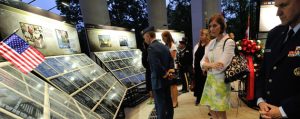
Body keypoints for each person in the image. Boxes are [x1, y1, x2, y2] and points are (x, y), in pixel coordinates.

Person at [255, 0, 300, 118]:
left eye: (284, 5)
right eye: (277, 6)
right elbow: (263, 72)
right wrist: (260, 100)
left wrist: (283, 111)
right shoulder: (274, 34)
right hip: (266, 112)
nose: (278, 13)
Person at [200, 14, 235, 119]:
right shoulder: (211, 42)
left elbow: (221, 66)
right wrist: (210, 64)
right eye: (210, 26)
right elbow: (201, 62)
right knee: (211, 110)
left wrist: (207, 65)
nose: (211, 29)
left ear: (222, 26)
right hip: (210, 80)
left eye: (215, 25)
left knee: (220, 113)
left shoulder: (229, 42)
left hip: (221, 82)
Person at [142, 26, 174, 119]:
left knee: (160, 105)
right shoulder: (163, 46)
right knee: (168, 102)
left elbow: (156, 65)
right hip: (166, 80)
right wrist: (169, 72)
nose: (145, 40)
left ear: (148, 36)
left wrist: (164, 73)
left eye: (145, 38)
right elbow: (171, 60)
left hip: (158, 81)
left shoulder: (151, 48)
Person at [193, 29, 211, 106]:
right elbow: (194, 57)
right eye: (200, 35)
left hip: (204, 68)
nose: (200, 36)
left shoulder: (209, 45)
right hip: (197, 67)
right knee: (198, 83)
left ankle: (206, 99)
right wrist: (193, 66)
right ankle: (198, 98)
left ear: (207, 36)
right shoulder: (197, 45)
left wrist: (205, 68)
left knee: (204, 83)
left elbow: (209, 58)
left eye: (202, 35)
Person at [162, 31, 179, 108]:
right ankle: (173, 100)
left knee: (173, 86)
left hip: (172, 69)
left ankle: (175, 101)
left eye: (163, 37)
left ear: (167, 37)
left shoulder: (172, 46)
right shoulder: (166, 45)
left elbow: (172, 58)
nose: (162, 39)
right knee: (170, 86)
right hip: (167, 68)